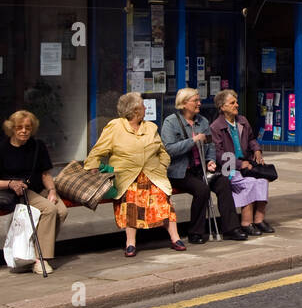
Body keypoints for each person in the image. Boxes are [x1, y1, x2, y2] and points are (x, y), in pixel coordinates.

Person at [83, 92, 185, 257]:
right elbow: (98, 150)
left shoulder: (150, 127)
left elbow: (163, 152)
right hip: (127, 176)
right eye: (143, 105)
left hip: (153, 175)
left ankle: (175, 238)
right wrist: (92, 167)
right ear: (136, 110)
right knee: (131, 199)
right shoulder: (115, 126)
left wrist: (162, 165)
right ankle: (130, 243)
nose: (145, 108)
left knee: (164, 199)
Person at [0, 110, 66, 275]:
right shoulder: (2, 149)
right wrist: (10, 183)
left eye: (27, 127)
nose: (23, 131)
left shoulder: (38, 146)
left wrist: (52, 191)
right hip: (19, 192)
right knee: (49, 210)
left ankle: (36, 249)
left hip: (38, 188)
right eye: (19, 127)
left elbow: (45, 174)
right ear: (12, 129)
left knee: (61, 211)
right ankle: (40, 259)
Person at [162, 88, 247, 244]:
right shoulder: (171, 122)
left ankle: (231, 228)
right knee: (202, 189)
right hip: (181, 171)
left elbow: (210, 146)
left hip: (200, 168)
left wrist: (210, 160)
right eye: (195, 100)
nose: (199, 103)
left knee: (223, 182)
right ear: (184, 103)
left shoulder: (203, 121)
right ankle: (195, 231)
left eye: (199, 100)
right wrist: (193, 141)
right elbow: (169, 149)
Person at [209, 89, 272, 236]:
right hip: (227, 167)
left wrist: (257, 150)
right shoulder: (216, 127)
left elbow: (251, 139)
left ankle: (259, 220)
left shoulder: (242, 121)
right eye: (232, 103)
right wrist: (238, 164)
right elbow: (218, 154)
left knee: (262, 180)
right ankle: (246, 222)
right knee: (248, 182)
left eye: (236, 102)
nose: (236, 105)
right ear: (222, 107)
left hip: (246, 163)